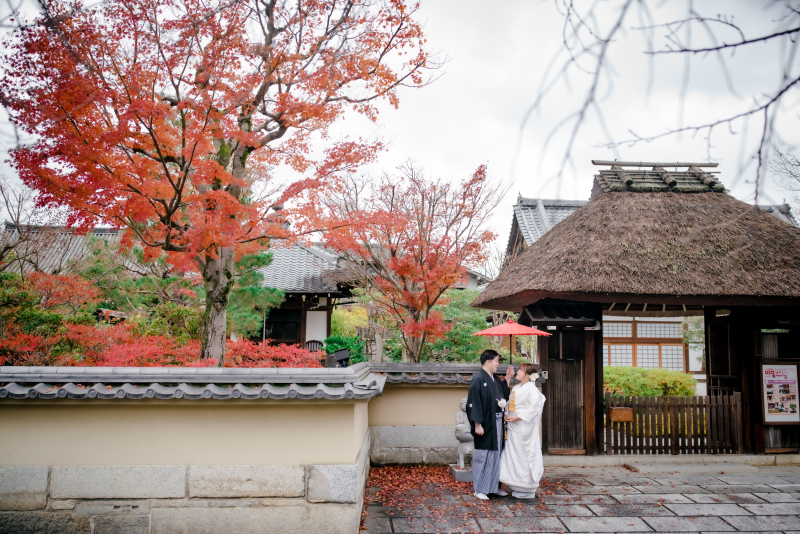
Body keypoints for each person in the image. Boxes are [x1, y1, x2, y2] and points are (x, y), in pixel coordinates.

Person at [466, 349, 512, 500]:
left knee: (497, 454)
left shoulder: (496, 379)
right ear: (488, 361)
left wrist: (508, 378)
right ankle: (479, 489)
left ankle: (493, 487)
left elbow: (504, 395)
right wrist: (477, 424)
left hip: (497, 423)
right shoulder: (478, 379)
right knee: (483, 455)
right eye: (496, 361)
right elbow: (474, 403)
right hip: (485, 423)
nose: (498, 364)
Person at [498, 363, 546, 499]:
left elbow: (534, 407)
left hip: (524, 428)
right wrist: (507, 413)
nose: (517, 372)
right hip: (513, 427)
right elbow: (510, 404)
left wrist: (518, 417)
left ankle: (527, 486)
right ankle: (516, 483)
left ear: (527, 375)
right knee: (514, 455)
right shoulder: (517, 387)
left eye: (520, 370)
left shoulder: (532, 389)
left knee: (525, 455)